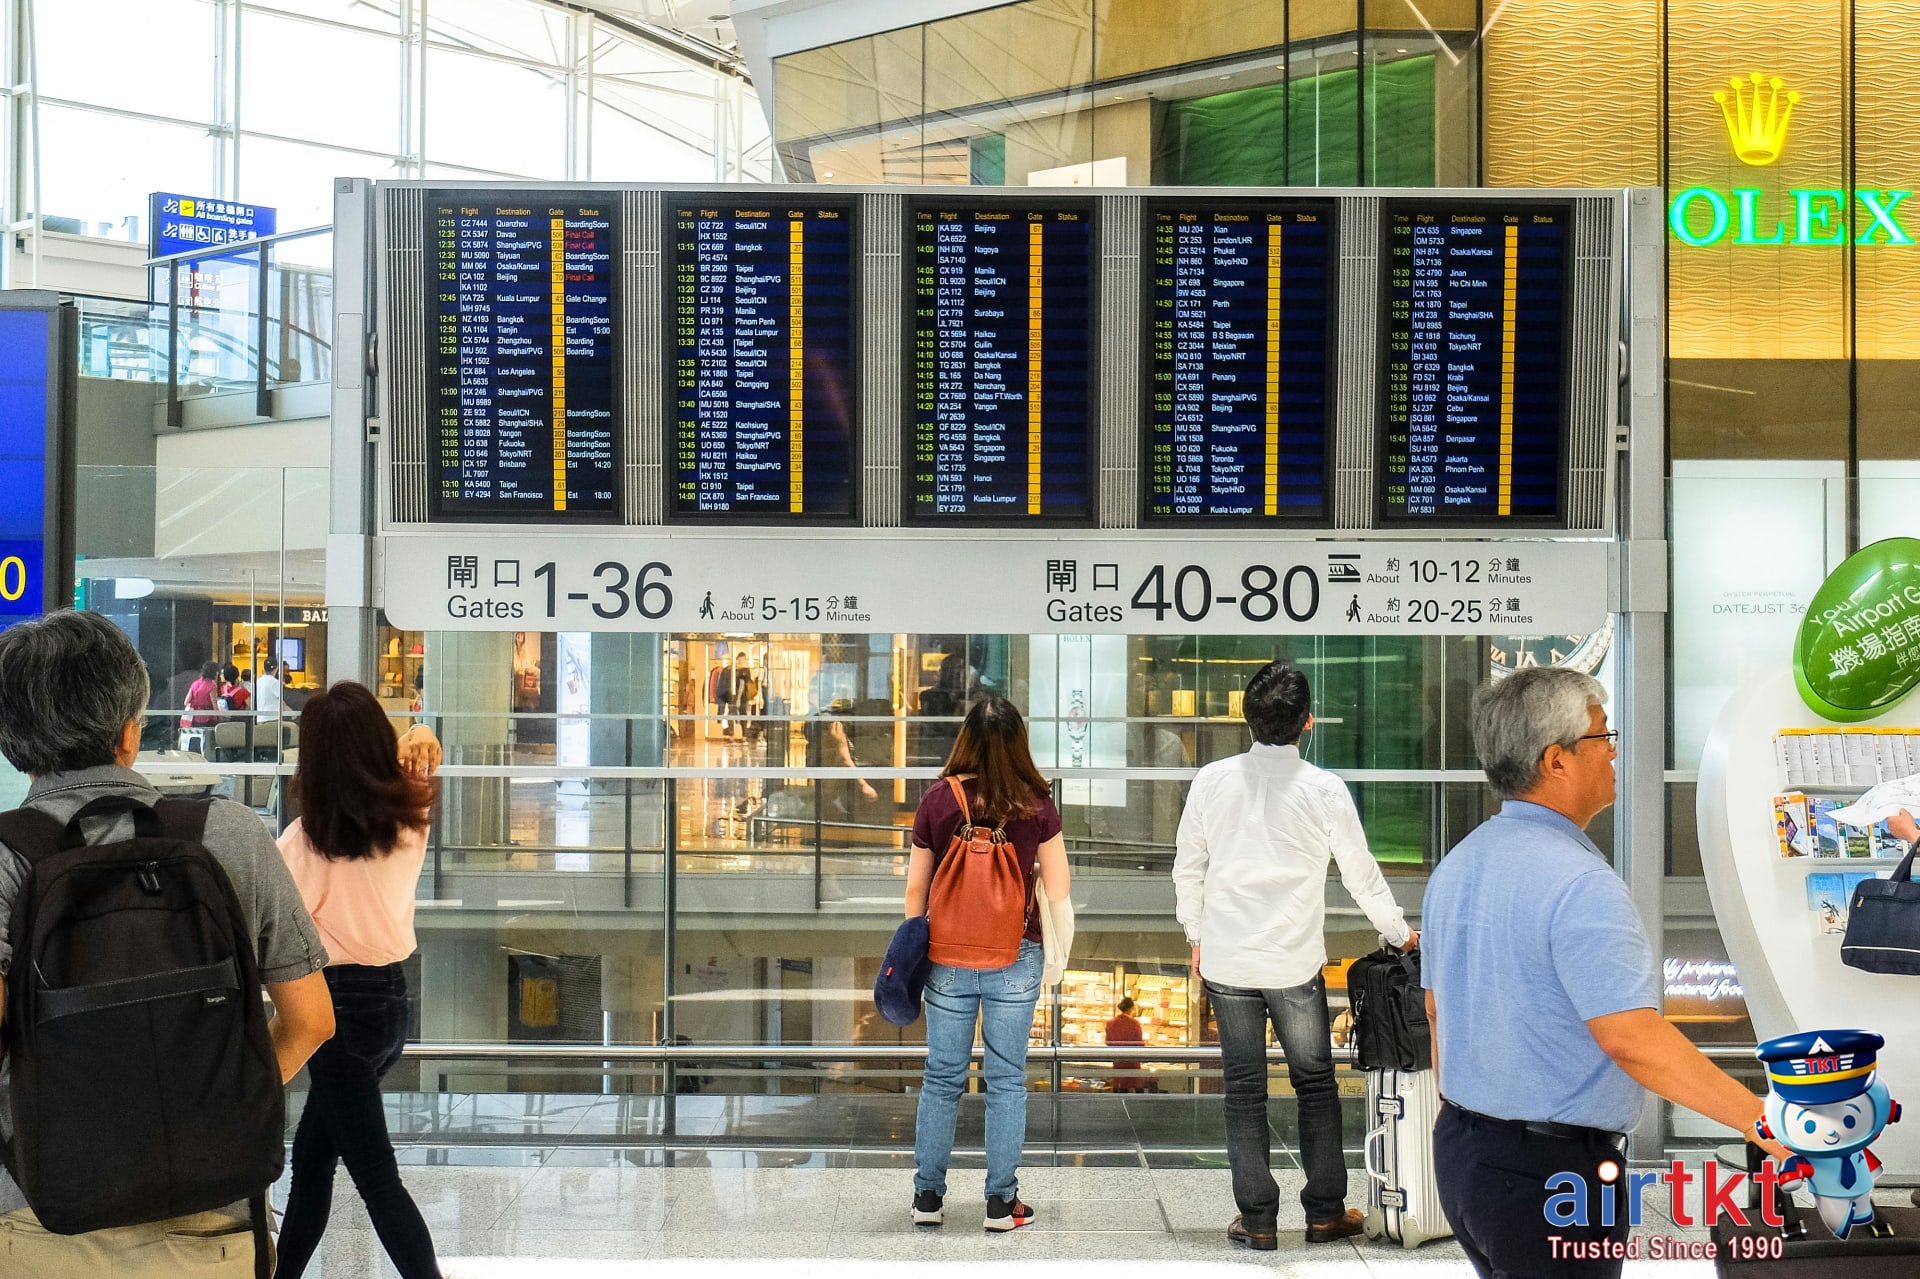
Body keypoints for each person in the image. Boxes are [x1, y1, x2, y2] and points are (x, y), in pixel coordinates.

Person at [1422, 667, 1791, 1279]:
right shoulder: (1581, 884)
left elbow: (1438, 1013)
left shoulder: (1459, 864)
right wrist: (1761, 1119)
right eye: (1601, 735)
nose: (1614, 750)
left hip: (1464, 1152)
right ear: (1556, 760)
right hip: (1550, 1173)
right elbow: (1631, 1038)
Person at [0, 609, 334, 1275]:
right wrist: (209, 1109)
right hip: (213, 1214)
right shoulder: (231, 834)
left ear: (14, 743)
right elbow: (311, 1019)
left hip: (41, 1216)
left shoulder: (6, 856)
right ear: (130, 729)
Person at [1172, 660, 1417, 1250]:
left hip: (1227, 963)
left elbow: (1189, 867)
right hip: (1293, 965)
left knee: (1243, 1090)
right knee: (1314, 1083)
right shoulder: (1325, 790)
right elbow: (1363, 876)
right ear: (1307, 722)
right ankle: (1326, 1211)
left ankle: (1257, 1221)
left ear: (1246, 719)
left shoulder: (1211, 780)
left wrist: (1195, 934)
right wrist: (1399, 933)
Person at [273, 681, 446, 1279]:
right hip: (392, 1003)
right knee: (313, 1163)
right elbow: (417, 753)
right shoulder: (410, 815)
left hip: (333, 1013)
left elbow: (271, 927)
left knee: (376, 1178)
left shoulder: (302, 844)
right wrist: (419, 737)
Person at [904, 696, 1070, 1232]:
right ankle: (1002, 1203)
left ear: (965, 739)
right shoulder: (1036, 803)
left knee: (941, 1078)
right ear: (1019, 743)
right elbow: (1061, 885)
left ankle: (928, 1197)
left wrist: (917, 944)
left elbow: (915, 890)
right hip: (1015, 953)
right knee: (1006, 1081)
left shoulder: (938, 800)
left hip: (947, 956)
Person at [1104, 996, 1148, 1094]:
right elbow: (1139, 1043)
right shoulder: (1134, 1023)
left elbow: (1108, 1042)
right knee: (1136, 1085)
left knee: (1119, 1085)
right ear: (1131, 1009)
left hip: (1118, 1060)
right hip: (1132, 1061)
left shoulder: (1110, 1023)